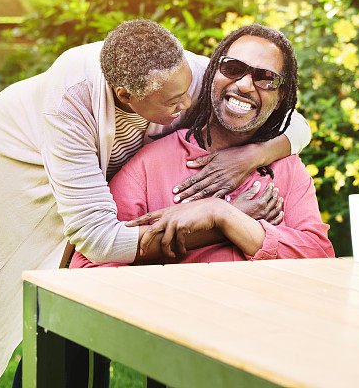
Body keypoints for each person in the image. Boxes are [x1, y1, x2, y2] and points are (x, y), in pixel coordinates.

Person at [0, 20, 311, 387]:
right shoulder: (69, 104)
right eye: (173, 103)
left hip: (97, 162)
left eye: (188, 91)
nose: (190, 105)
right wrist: (221, 223)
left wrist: (248, 157)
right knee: (57, 288)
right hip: (20, 161)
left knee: (85, 283)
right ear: (125, 97)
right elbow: (100, 242)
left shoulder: (185, 75)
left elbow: (296, 124)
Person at [71, 24, 334, 268]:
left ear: (280, 99)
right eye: (233, 68)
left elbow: (319, 258)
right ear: (211, 74)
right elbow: (88, 266)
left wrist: (221, 214)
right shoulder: (149, 165)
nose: (244, 85)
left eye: (266, 78)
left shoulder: (288, 169)